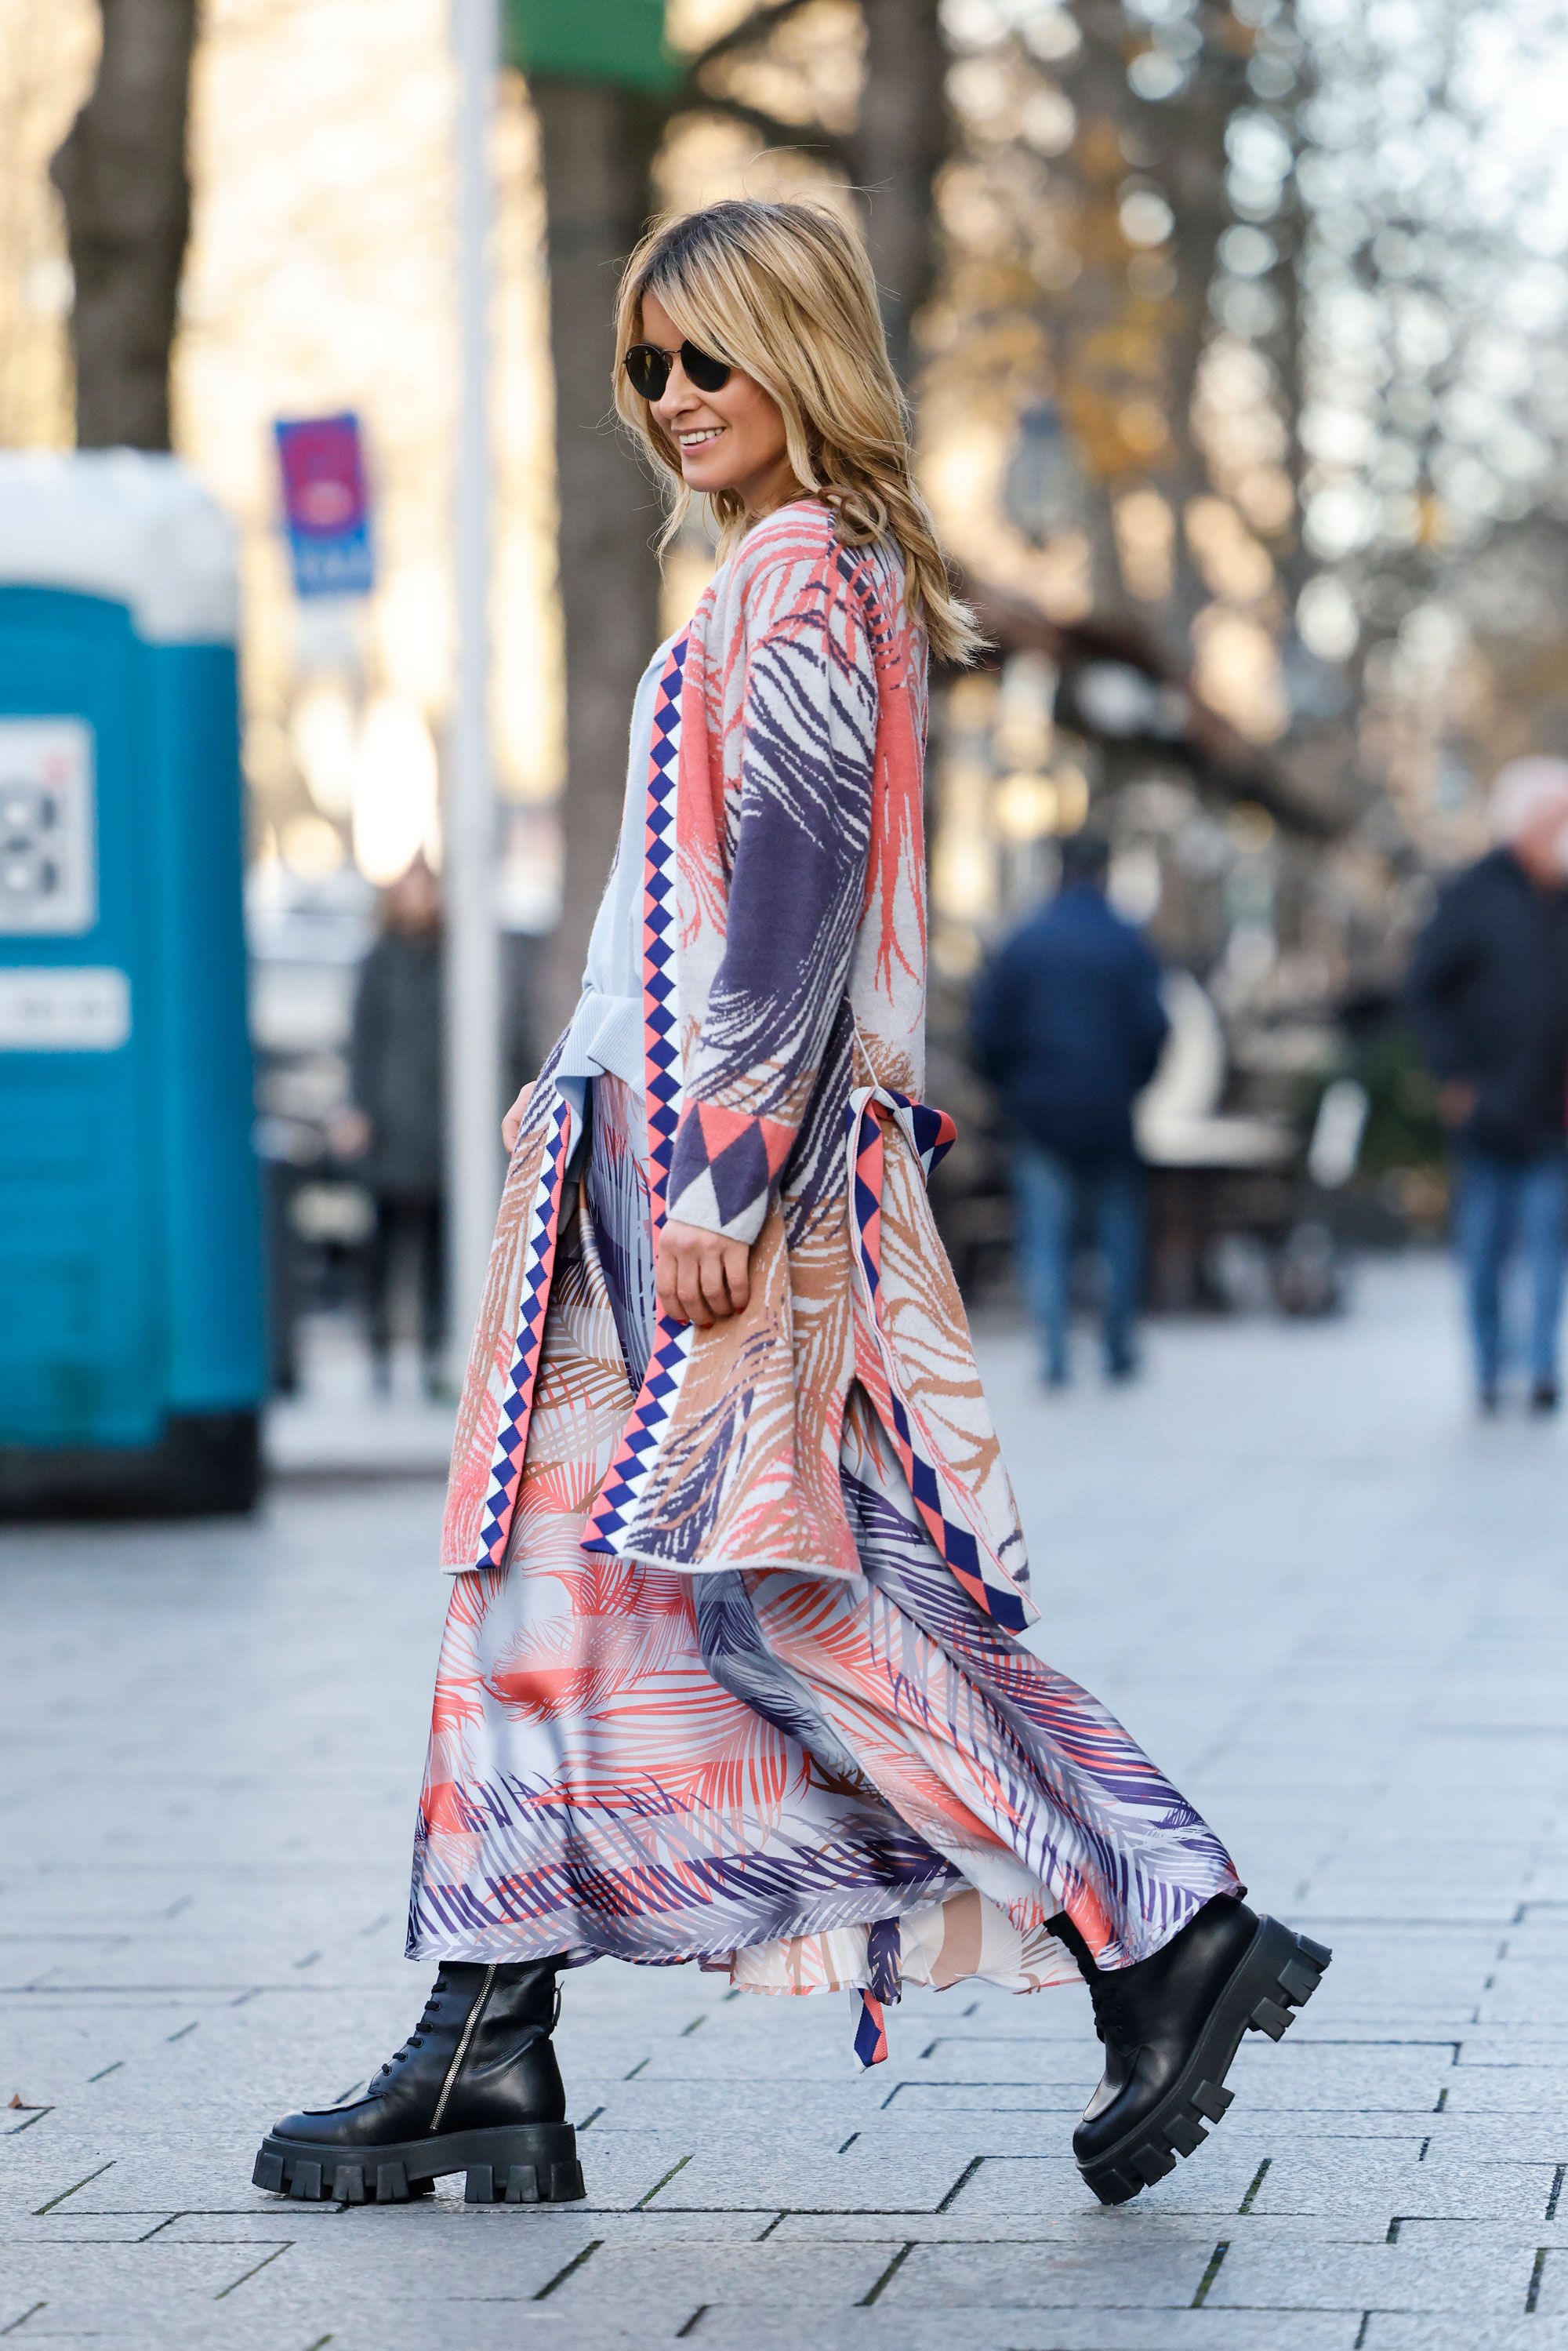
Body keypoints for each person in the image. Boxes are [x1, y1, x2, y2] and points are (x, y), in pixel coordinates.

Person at [254, 199, 1327, 2217]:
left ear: (794, 358)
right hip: (629, 1163)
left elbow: (788, 908)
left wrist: (721, 1172)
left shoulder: (808, 579)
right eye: (643, 367)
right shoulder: (774, 579)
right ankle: (483, 2040)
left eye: (703, 360)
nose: (668, 398)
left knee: (785, 1595)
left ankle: (1152, 1920)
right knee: (536, 1583)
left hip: (697, 1184)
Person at [971, 830, 1169, 1386]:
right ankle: (1117, 1349)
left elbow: (987, 1031)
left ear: (1058, 873)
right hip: (1110, 1112)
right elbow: (1155, 1029)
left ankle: (1055, 1355)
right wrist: (1133, 1085)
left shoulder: (1025, 942)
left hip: (1039, 1114)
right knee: (1117, 1235)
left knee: (1046, 1237)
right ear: (1104, 873)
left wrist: (1011, 1091)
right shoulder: (1129, 943)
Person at [1407, 758, 1568, 1415]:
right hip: (1487, 1109)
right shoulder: (1472, 894)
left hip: (1554, 1111)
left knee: (1548, 1244)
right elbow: (1424, 991)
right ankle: (1488, 1366)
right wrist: (1454, 1077)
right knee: (1484, 1249)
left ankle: (1538, 1367)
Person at [336, 857, 445, 1397]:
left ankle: (432, 1352)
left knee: (435, 1248)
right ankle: (379, 1349)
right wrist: (357, 1110)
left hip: (439, 1129)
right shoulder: (379, 962)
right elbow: (361, 1040)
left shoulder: (453, 961)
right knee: (382, 1246)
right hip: (390, 1122)